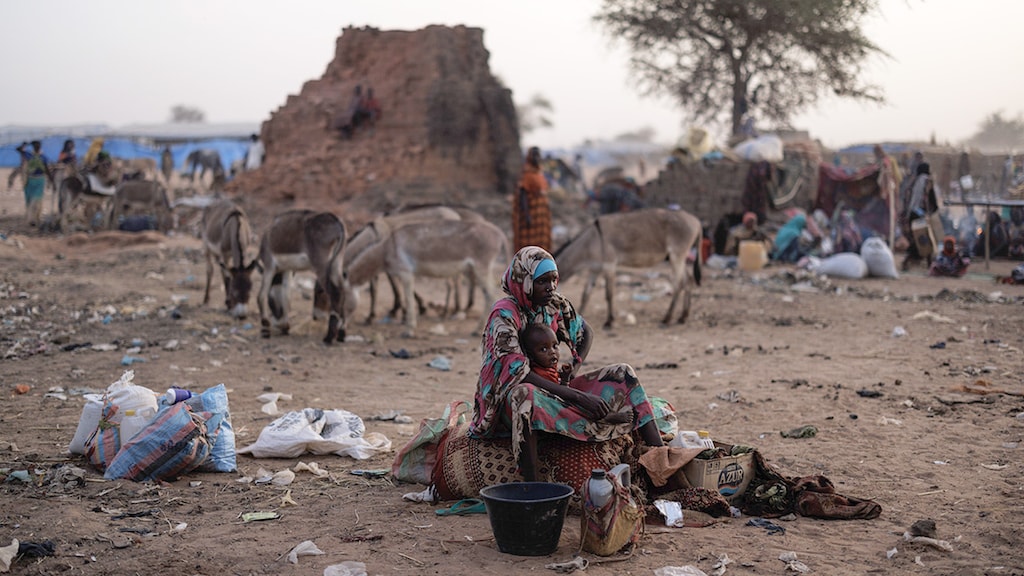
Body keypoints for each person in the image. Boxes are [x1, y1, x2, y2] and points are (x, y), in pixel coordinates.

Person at [470, 246, 664, 481]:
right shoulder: (504, 314)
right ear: (525, 281)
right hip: (508, 398)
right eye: (542, 281)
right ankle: (532, 488)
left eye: (554, 280)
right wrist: (578, 397)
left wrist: (574, 366)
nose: (551, 287)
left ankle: (662, 458)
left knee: (623, 374)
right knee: (525, 395)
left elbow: (585, 332)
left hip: (554, 388)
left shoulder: (554, 305)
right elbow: (516, 372)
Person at [900, 162, 941, 270]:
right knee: (926, 239)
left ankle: (908, 261)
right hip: (921, 215)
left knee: (916, 239)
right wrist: (933, 210)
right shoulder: (928, 181)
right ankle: (929, 264)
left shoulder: (913, 181)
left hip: (911, 216)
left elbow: (906, 198)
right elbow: (932, 200)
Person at [511, 147, 551, 252]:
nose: (537, 158)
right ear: (530, 157)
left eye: (538, 155)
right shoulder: (527, 174)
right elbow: (523, 195)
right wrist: (527, 216)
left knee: (541, 243)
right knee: (529, 244)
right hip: (531, 215)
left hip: (541, 217)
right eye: (534, 155)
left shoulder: (539, 172)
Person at [15, 140, 54, 226]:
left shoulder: (43, 157)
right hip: (29, 180)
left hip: (40, 180)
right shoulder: (29, 155)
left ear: (40, 146)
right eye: (35, 145)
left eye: (38, 145)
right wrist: (24, 144)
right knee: (29, 201)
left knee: (36, 200)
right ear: (33, 146)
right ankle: (30, 219)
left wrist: (51, 181)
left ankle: (35, 219)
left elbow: (47, 170)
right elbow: (18, 149)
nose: (37, 147)